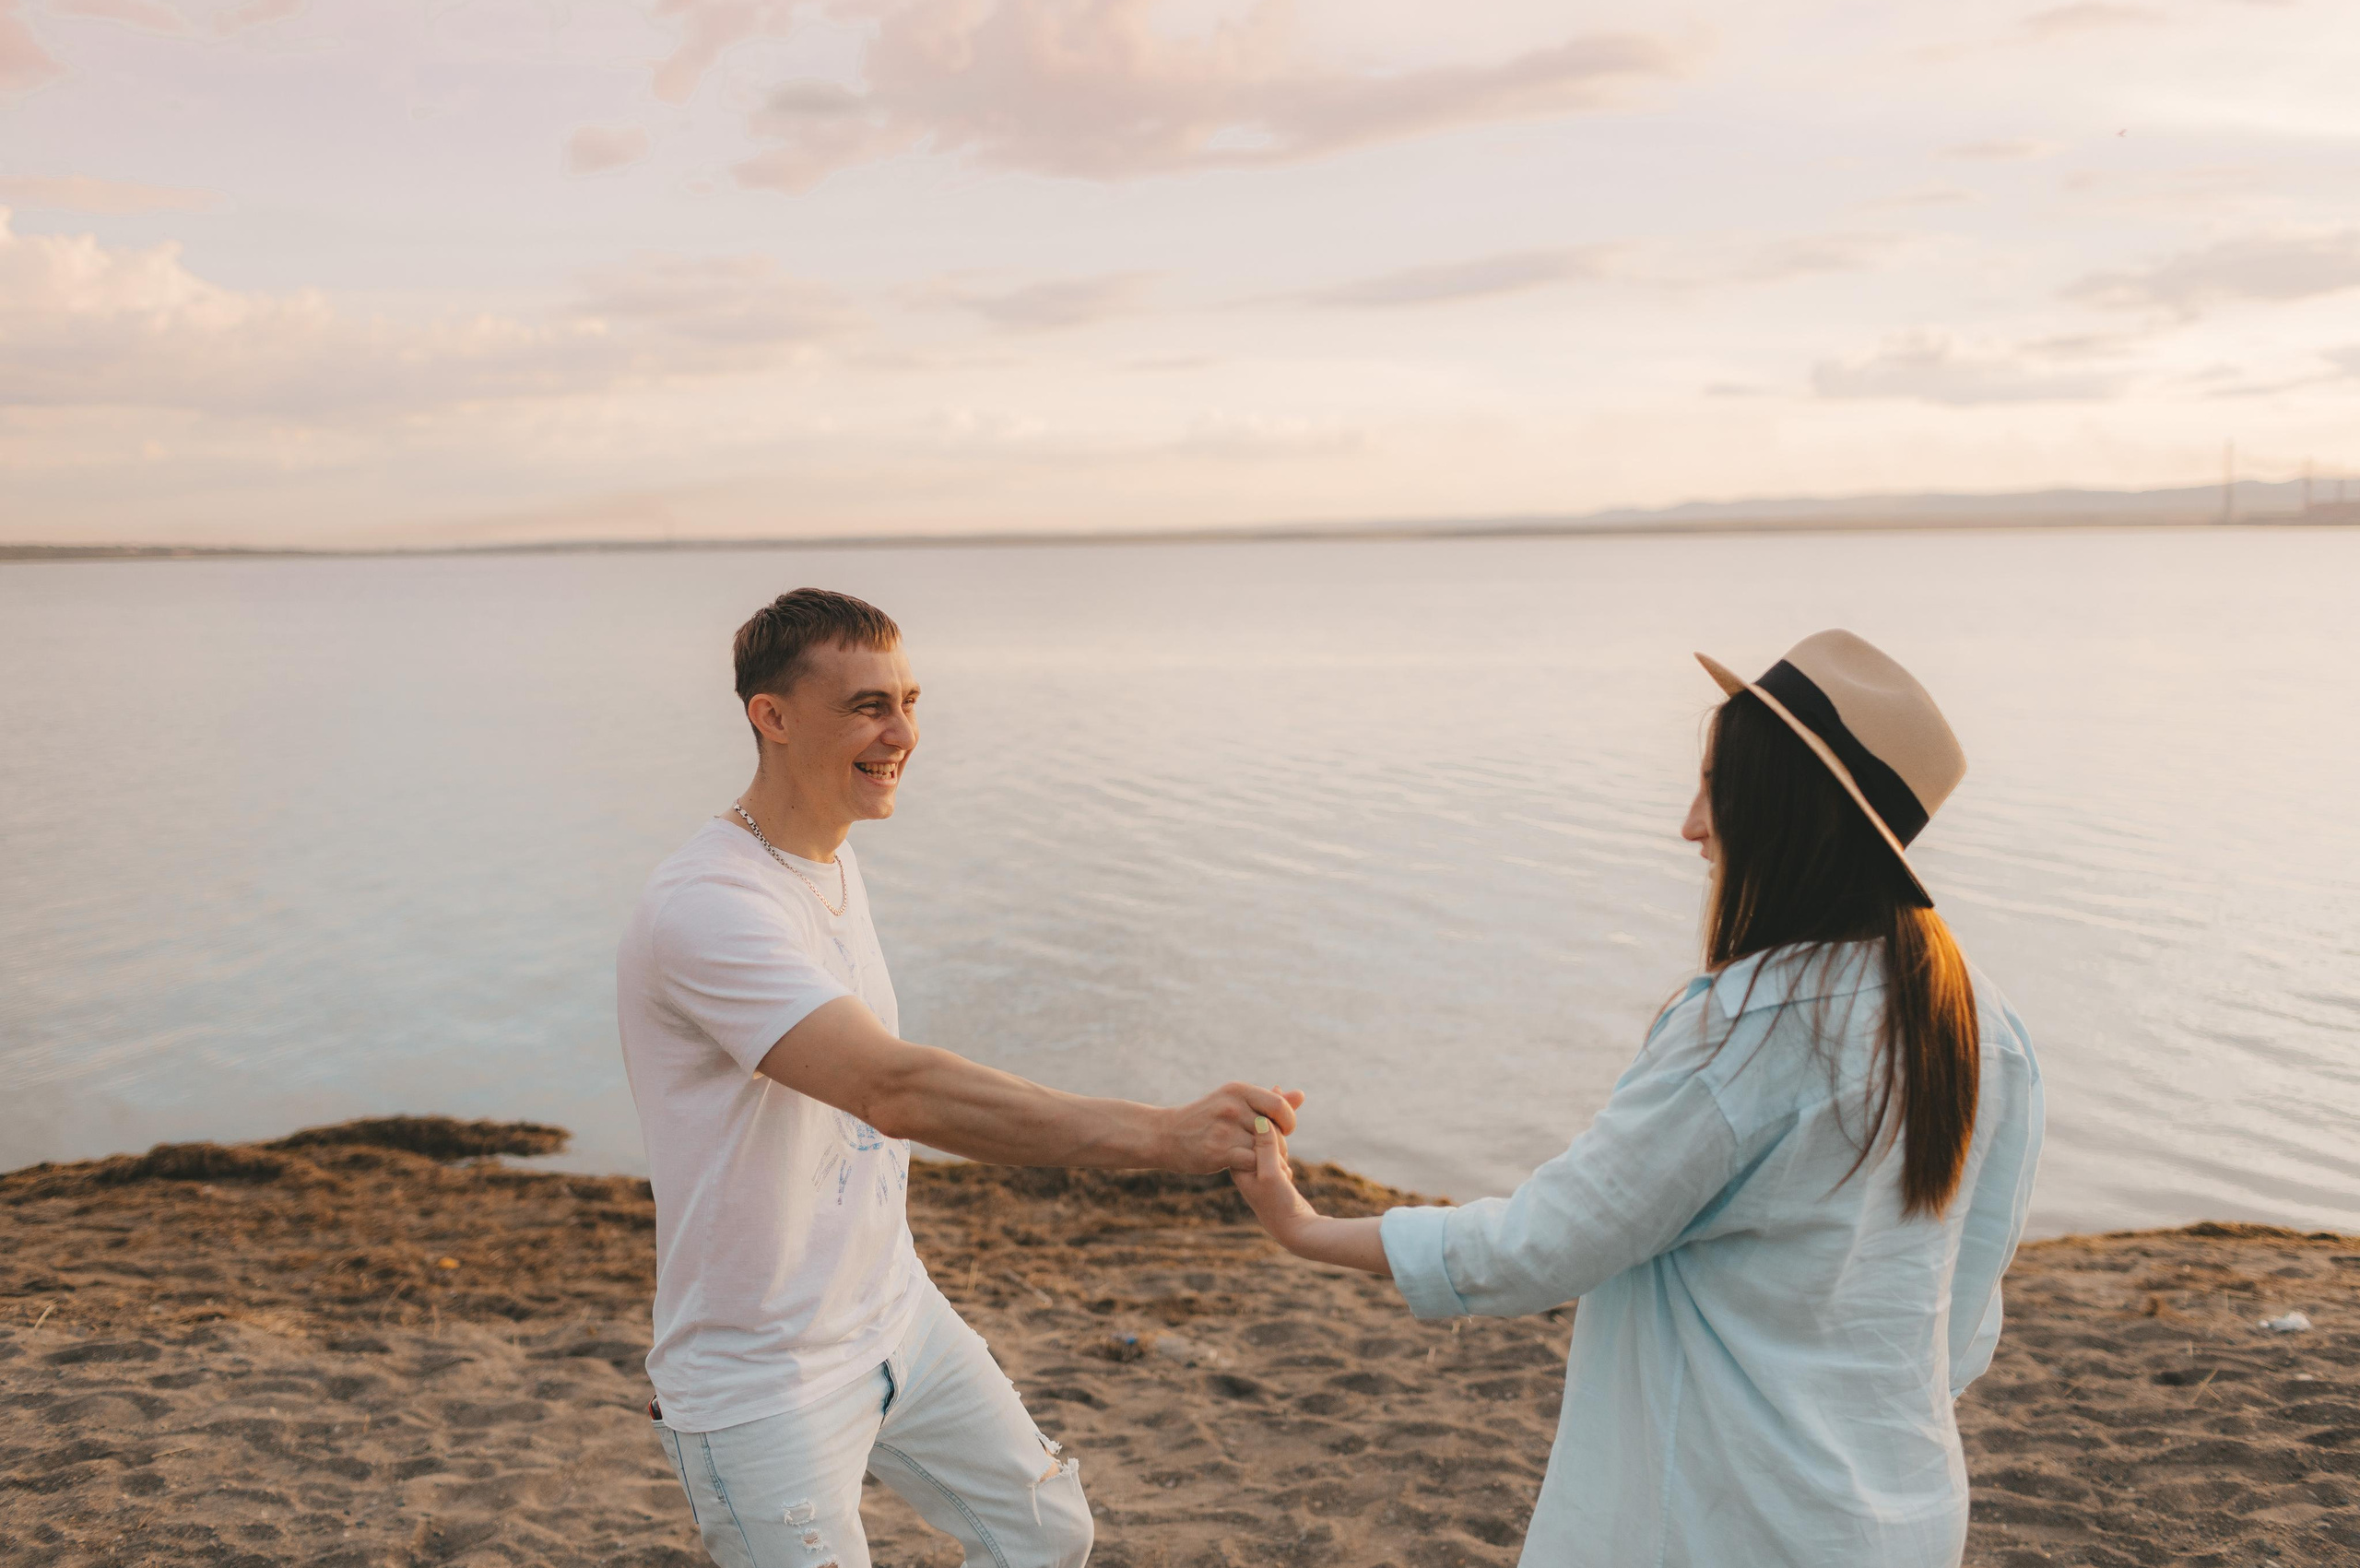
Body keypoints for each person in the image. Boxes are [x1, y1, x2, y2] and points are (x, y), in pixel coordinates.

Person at [1232, 630, 2044, 1568]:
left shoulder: (1752, 1029)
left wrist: (1301, 1225)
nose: (1691, 825)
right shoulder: (1982, 1019)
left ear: (1784, 814)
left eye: (1716, 789)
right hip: (1902, 1513)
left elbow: (1542, 1244)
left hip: (1727, 1520)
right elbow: (1965, 1304)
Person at [617, 587, 1302, 1568]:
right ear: (772, 716)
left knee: (1043, 1530)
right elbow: (894, 1089)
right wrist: (1161, 1135)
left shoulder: (828, 863)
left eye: (908, 701)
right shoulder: (708, 904)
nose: (903, 733)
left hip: (893, 1312)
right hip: (761, 1377)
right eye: (867, 707)